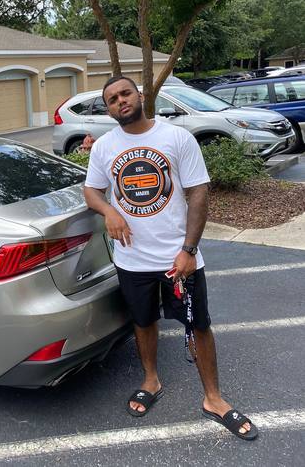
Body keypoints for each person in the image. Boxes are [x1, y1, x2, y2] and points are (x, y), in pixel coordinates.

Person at [83, 76, 257, 441]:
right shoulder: (105, 148)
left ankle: (213, 398)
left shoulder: (177, 138)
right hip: (132, 261)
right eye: (112, 99)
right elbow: (91, 190)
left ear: (140, 95)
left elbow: (198, 193)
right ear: (109, 109)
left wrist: (189, 250)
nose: (120, 101)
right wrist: (108, 211)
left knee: (199, 325)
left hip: (178, 258)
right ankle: (151, 380)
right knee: (143, 322)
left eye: (125, 93)